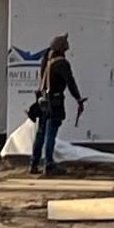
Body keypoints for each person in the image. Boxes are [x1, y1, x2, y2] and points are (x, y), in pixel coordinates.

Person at [30, 34, 86, 176]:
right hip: (54, 102)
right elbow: (70, 82)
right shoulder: (62, 63)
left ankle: (34, 164)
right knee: (50, 134)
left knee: (41, 133)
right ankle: (48, 165)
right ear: (62, 48)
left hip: (42, 100)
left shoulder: (46, 60)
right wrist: (78, 98)